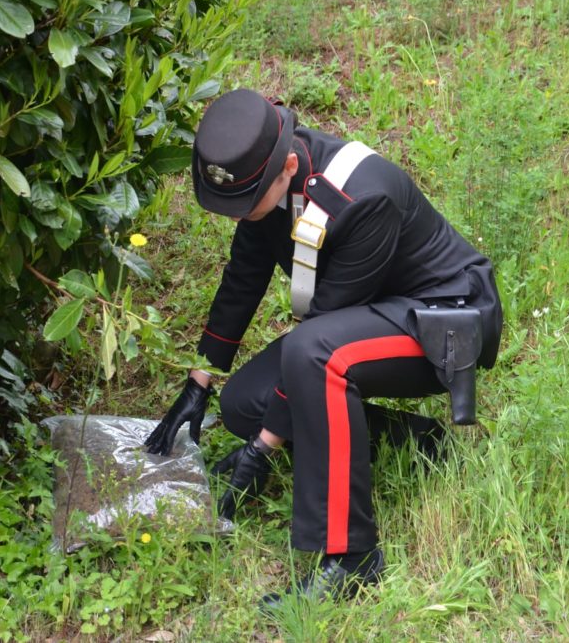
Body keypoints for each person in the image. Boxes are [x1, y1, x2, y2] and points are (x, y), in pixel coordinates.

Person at [144, 89, 503, 606]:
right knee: (245, 402)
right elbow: (243, 280)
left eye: (246, 205)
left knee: (314, 356)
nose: (241, 216)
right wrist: (197, 384)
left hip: (444, 323)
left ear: (288, 166)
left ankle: (353, 559)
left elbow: (323, 330)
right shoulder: (265, 183)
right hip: (366, 316)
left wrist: (262, 449)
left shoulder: (363, 197)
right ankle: (425, 445)